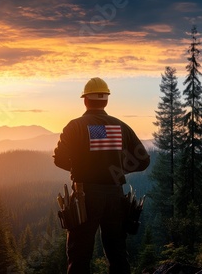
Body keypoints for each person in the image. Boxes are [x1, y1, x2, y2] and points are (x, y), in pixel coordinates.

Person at [53, 77, 150, 274]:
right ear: (106, 100)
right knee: (117, 253)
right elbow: (143, 160)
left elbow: (59, 159)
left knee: (79, 254)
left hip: (85, 195)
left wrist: (80, 169)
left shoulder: (75, 126)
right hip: (115, 194)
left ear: (85, 100)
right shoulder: (121, 126)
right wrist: (119, 169)